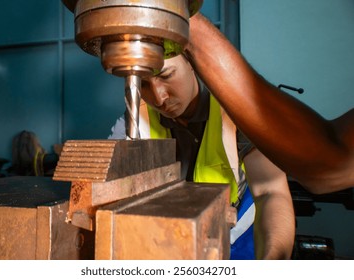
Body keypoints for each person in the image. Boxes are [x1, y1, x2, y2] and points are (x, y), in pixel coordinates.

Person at [109, 54, 295, 259]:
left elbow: (271, 192)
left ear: (192, 63)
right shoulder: (136, 118)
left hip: (237, 236)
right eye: (143, 84)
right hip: (172, 239)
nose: (159, 97)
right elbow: (107, 181)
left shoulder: (237, 109)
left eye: (167, 75)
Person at [184, 13, 354, 194]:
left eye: (167, 75)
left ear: (192, 69)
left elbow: (332, 168)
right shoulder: (152, 115)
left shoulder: (227, 116)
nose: (159, 94)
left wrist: (183, 21)